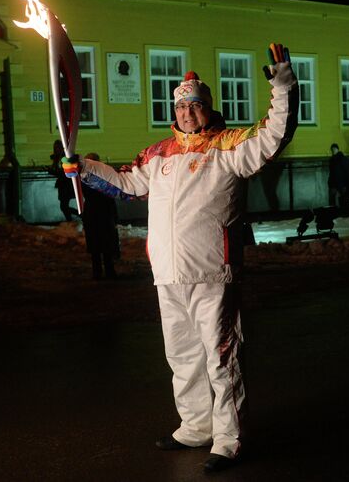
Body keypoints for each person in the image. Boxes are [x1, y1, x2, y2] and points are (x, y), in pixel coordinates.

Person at [62, 43, 298, 473]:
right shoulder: (158, 155)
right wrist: (84, 168)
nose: (188, 111)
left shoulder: (229, 146)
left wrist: (282, 81)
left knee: (221, 357)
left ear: (208, 108)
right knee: (182, 355)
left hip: (212, 270)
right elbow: (126, 184)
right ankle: (195, 425)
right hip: (167, 273)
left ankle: (230, 437)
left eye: (196, 104)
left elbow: (275, 134)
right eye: (182, 105)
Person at [81, 152, 120, 279]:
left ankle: (101, 272)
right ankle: (105, 271)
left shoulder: (85, 178)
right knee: (101, 244)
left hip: (96, 212)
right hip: (100, 212)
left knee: (99, 244)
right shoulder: (101, 176)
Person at [49, 140, 76, 221]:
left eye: (57, 147)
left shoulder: (65, 158)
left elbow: (64, 173)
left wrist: (52, 171)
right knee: (64, 206)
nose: (56, 149)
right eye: (55, 148)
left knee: (64, 206)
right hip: (63, 184)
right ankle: (72, 220)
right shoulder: (58, 158)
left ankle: (79, 216)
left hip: (66, 185)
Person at [327, 143, 349, 208]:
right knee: (341, 202)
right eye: (332, 149)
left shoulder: (339, 159)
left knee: (336, 202)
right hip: (339, 183)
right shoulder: (340, 159)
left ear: (337, 149)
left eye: (334, 149)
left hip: (339, 184)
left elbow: (346, 172)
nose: (333, 151)